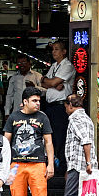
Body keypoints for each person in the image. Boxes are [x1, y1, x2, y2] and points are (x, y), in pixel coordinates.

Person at [3, 87, 55, 196]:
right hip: (16, 164)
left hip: (38, 164)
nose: (37, 103)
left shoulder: (42, 118)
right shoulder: (14, 117)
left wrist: (50, 164)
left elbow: (48, 142)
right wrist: (4, 165)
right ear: (24, 101)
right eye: (34, 100)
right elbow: (6, 142)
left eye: (39, 101)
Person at [63, 94, 98, 196]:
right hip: (85, 165)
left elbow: (86, 141)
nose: (65, 110)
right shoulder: (87, 118)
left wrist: (88, 162)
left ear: (70, 105)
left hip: (80, 166)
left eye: (65, 107)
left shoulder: (75, 119)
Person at [40, 40, 75, 171]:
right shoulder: (54, 65)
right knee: (50, 136)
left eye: (56, 49)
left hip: (61, 106)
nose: (54, 52)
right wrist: (50, 82)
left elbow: (53, 81)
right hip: (50, 106)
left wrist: (52, 82)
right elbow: (43, 82)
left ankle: (61, 167)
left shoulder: (68, 66)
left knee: (60, 137)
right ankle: (52, 164)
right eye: (53, 49)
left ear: (64, 51)